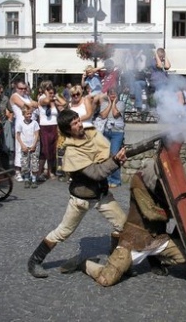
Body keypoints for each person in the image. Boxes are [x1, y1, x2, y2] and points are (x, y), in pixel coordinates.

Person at [27, 109, 127, 278]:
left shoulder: (92, 136)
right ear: (67, 130)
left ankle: (115, 259)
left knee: (122, 224)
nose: (79, 124)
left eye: (78, 120)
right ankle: (34, 261)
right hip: (81, 199)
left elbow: (105, 157)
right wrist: (115, 161)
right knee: (63, 232)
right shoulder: (72, 152)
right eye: (74, 124)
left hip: (101, 194)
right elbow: (97, 172)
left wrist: (117, 158)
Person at [77, 161, 186, 287]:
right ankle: (84, 264)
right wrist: (175, 210)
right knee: (105, 280)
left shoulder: (164, 187)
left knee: (184, 257)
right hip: (134, 241)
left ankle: (156, 258)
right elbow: (150, 213)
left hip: (158, 239)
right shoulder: (139, 181)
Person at [10, 80, 39, 182]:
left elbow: (37, 104)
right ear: (16, 88)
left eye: (24, 88)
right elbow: (26, 106)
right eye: (20, 88)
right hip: (20, 123)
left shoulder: (27, 97)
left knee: (31, 146)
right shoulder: (14, 96)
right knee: (19, 147)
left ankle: (28, 170)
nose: (23, 90)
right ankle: (17, 171)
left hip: (30, 124)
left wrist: (33, 104)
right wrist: (32, 104)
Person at [38, 81, 66, 180]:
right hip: (44, 127)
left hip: (54, 126)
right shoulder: (42, 98)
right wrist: (46, 94)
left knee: (52, 151)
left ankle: (50, 171)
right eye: (48, 89)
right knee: (44, 151)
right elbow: (46, 101)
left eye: (51, 90)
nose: (51, 92)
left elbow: (64, 103)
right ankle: (39, 172)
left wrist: (56, 95)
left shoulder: (53, 100)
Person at [99, 88, 126, 188]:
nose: (112, 95)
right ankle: (106, 179)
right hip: (106, 132)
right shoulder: (104, 104)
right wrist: (110, 103)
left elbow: (115, 114)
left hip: (117, 133)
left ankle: (115, 179)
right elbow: (103, 115)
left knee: (115, 155)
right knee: (106, 155)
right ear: (107, 94)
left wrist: (114, 102)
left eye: (114, 93)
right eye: (111, 93)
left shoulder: (121, 104)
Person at [16, 106, 40, 189]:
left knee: (34, 162)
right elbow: (18, 136)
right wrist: (22, 145)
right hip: (25, 146)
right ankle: (26, 179)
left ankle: (33, 179)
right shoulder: (20, 124)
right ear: (23, 114)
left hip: (33, 146)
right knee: (25, 163)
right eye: (27, 114)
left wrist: (34, 145)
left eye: (30, 113)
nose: (29, 115)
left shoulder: (35, 123)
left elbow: (37, 134)